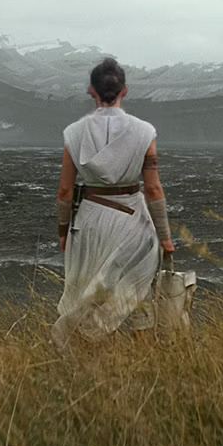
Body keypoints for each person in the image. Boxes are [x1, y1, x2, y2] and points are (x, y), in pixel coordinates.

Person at [53, 57, 175, 348]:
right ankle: (140, 365)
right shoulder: (145, 132)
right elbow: (154, 189)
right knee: (138, 295)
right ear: (125, 90)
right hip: (134, 219)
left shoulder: (73, 133)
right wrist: (166, 238)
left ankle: (90, 366)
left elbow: (65, 191)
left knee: (87, 294)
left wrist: (62, 230)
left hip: (90, 221)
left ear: (91, 90)